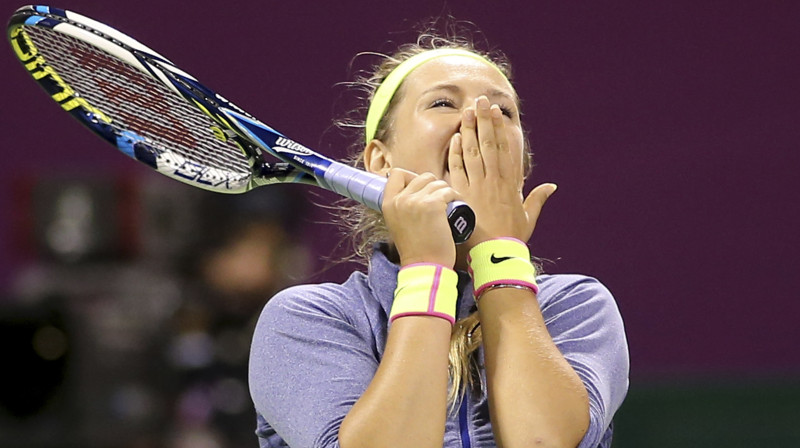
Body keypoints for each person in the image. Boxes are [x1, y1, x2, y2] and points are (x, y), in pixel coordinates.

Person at [248, 30, 629, 448]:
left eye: (503, 110)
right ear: (381, 162)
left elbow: (541, 442)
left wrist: (499, 253)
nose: (480, 119)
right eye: (444, 103)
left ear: (519, 169)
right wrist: (426, 270)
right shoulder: (308, 319)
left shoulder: (577, 306)